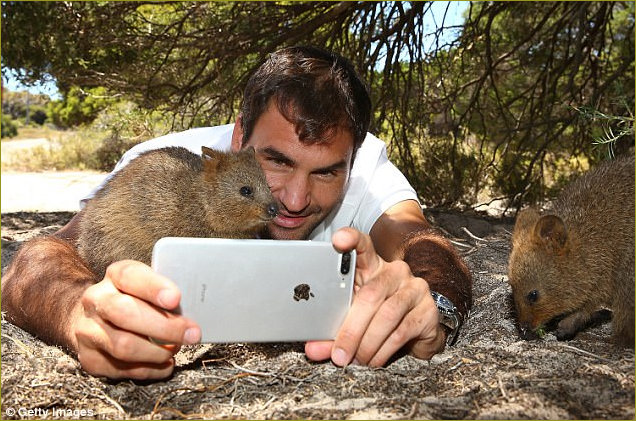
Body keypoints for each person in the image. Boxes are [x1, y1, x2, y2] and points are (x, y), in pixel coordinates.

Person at [1, 46, 472, 380]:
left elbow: (422, 244)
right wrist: (73, 312)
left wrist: (433, 309)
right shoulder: (171, 161)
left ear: (351, 157)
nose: (292, 200)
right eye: (278, 162)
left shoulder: (363, 166)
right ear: (240, 133)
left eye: (326, 173)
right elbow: (40, 258)